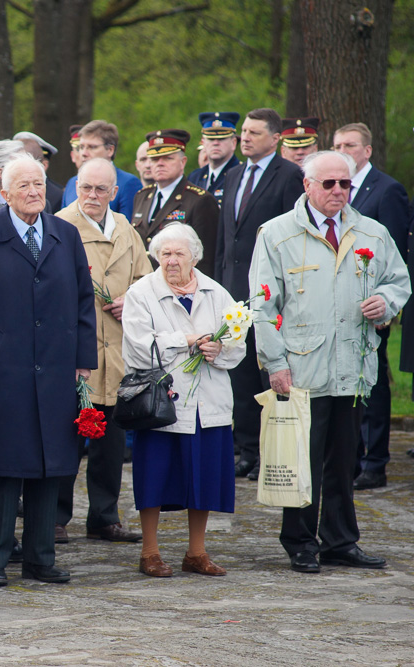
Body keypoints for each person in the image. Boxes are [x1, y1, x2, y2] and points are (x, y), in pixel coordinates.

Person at [251, 150, 411, 574]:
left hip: (354, 366)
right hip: (302, 366)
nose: (339, 191)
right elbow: (262, 306)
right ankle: (300, 541)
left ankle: (340, 539)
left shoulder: (371, 232)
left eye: (345, 184)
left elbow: (399, 279)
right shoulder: (277, 234)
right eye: (329, 184)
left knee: (344, 459)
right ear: (308, 186)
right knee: (302, 459)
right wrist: (275, 362)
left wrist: (386, 302)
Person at [0, 156, 97, 587]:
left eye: (39, 183)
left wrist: (82, 359)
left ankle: (40, 557)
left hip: (55, 368)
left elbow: (84, 301)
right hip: (0, 368)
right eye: (24, 185)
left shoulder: (65, 235)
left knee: (49, 466)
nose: (34, 192)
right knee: (1, 467)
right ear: (5, 190)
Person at [122, 222, 244, 577]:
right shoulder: (141, 292)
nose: (171, 261)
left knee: (204, 478)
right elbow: (138, 348)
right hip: (163, 402)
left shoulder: (217, 292)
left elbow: (238, 345)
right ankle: (149, 552)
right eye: (164, 254)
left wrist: (217, 349)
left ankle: (196, 552)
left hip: (209, 402)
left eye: (178, 253)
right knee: (155, 477)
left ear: (195, 256)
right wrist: (187, 339)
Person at [55, 157, 152, 544]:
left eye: (100, 190)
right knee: (69, 437)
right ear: (76, 187)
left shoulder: (126, 229)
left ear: (115, 193)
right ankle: (56, 516)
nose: (92, 196)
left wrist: (133, 297)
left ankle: (104, 515)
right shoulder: (60, 226)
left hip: (119, 351)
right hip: (78, 350)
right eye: (85, 188)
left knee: (110, 441)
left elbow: (148, 279)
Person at [215, 108, 305, 481]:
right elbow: (226, 238)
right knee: (240, 377)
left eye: (253, 132)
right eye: (244, 132)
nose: (245, 138)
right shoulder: (234, 175)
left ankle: (273, 451)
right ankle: (248, 450)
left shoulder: (289, 177)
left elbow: (292, 236)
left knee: (271, 373)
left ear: (275, 138)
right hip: (236, 293)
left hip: (271, 293)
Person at [332, 123, 411, 490]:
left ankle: (375, 461)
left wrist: (386, 306)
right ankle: (351, 455)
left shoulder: (387, 189)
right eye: (336, 145)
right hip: (338, 304)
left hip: (373, 307)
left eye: (350, 144)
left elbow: (393, 252)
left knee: (374, 382)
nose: (343, 149)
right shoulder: (334, 190)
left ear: (367, 151)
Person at [132, 129, 219, 277]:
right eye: (154, 159)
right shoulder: (142, 196)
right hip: (142, 286)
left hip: (180, 286)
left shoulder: (200, 200)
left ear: (182, 162)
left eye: (167, 158)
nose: (159, 164)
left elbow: (205, 260)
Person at [61, 121, 141, 220]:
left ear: (110, 150)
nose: (84, 153)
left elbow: (126, 230)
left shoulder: (128, 183)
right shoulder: (72, 183)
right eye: (81, 147)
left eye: (92, 147)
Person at [187, 112, 241, 206]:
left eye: (222, 138)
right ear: (203, 142)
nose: (215, 143)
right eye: (211, 139)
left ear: (234, 143)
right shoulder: (195, 177)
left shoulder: (242, 174)